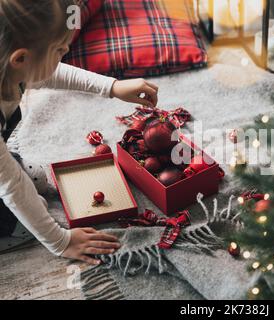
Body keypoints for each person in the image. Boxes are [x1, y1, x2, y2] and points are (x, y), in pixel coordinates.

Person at [0, 0, 159, 264]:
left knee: (35, 183)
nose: (67, 51)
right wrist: (60, 240)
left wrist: (113, 87)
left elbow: (48, 73)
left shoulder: (11, 64)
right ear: (20, 58)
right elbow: (13, 187)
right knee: (22, 221)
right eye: (60, 49)